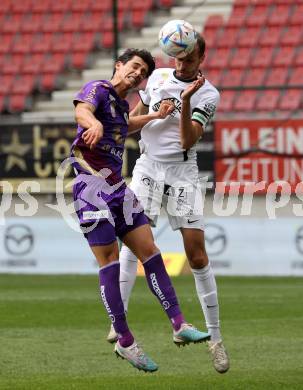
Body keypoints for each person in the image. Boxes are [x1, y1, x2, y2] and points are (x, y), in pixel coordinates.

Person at [71, 48, 210, 373]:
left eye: (143, 72)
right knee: (110, 261)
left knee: (150, 252)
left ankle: (179, 324)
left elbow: (125, 125)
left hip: (118, 189)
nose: (137, 73)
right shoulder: (98, 89)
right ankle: (125, 340)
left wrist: (153, 117)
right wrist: (94, 125)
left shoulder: (120, 106)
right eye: (133, 66)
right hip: (91, 188)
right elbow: (83, 112)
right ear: (119, 66)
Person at [106, 37, 230, 374]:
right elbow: (137, 115)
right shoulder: (158, 76)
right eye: (177, 54)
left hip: (182, 172)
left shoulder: (208, 94)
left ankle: (216, 340)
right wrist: (124, 125)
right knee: (132, 240)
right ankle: (119, 323)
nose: (181, 61)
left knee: (197, 256)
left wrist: (186, 101)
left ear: (201, 56)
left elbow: (189, 139)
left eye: (188, 56)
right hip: (148, 167)